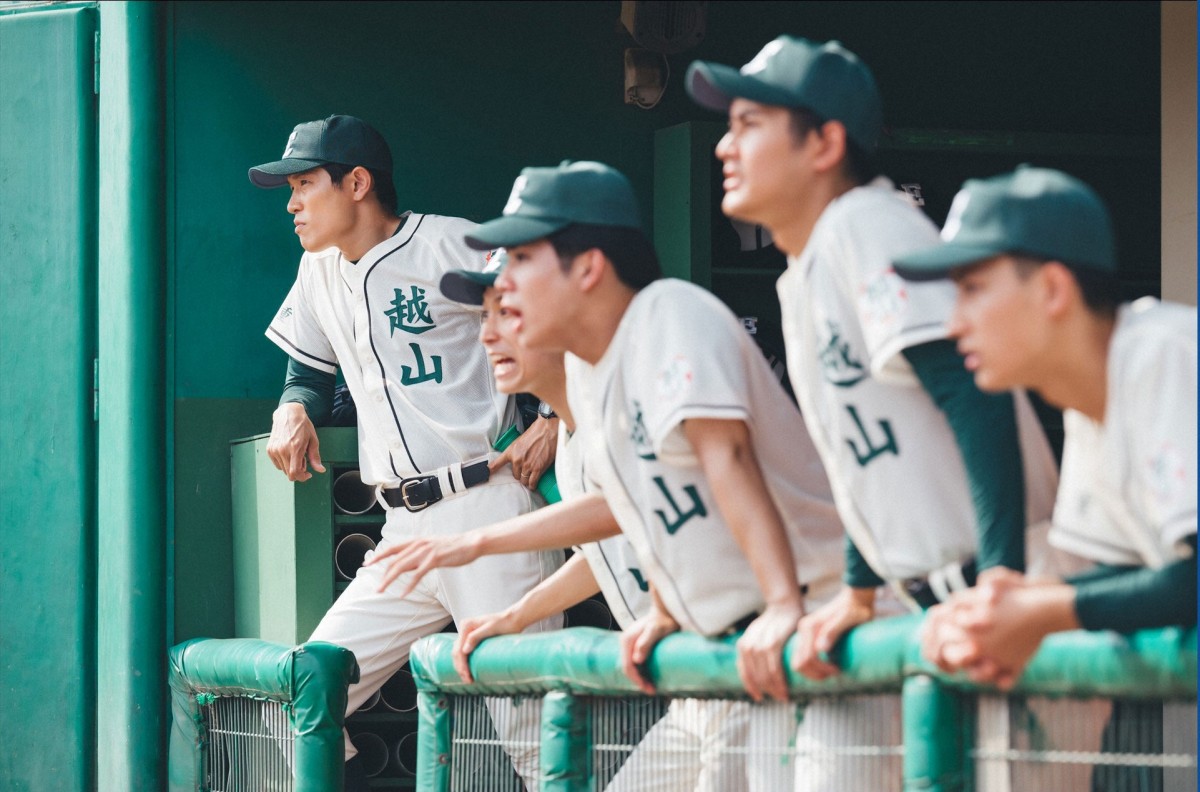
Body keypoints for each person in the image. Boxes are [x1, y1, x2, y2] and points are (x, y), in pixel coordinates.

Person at [368, 160, 846, 790]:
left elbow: (723, 459)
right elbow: (638, 508)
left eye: (522, 259)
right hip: (720, 657)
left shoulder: (667, 313)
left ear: (588, 267)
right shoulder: (593, 385)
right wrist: (666, 609)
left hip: (811, 627)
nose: (503, 294)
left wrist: (782, 604)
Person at [685, 37, 1076, 680]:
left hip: (1004, 590)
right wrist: (858, 592)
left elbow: (971, 391)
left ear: (825, 145)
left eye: (749, 125)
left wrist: (1002, 578)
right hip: (931, 600)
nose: (725, 146)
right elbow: (856, 461)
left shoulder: (865, 220)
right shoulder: (806, 267)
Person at [247, 114, 563, 790]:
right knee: (301, 696)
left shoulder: (454, 244)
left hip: (491, 507)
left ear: (356, 183)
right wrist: (292, 408)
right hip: (403, 530)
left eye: (305, 184)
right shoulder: (317, 269)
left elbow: (559, 307)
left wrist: (556, 416)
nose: (292, 202)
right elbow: (308, 370)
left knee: (536, 743)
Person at [891, 165, 1197, 686]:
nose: (953, 322)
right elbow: (1123, 578)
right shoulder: (1088, 397)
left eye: (973, 289)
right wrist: (992, 610)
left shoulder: (1162, 354)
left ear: (1053, 289)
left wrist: (1040, 613)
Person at [436, 251, 652, 681]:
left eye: (509, 312)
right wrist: (516, 616)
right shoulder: (570, 447)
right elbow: (605, 552)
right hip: (690, 669)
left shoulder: (629, 401)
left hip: (755, 651)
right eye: (485, 316)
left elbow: (625, 513)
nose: (487, 337)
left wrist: (479, 542)